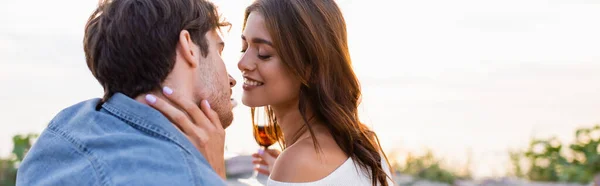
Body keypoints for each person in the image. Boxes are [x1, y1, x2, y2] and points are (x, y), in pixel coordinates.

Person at [159, 0, 395, 185]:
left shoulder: (298, 163)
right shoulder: (365, 145)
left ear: (309, 67)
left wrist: (213, 171)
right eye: (244, 47)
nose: (243, 63)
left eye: (263, 53)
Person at [16, 0, 236, 185]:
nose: (232, 79)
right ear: (188, 46)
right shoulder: (185, 177)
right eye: (219, 50)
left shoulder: (56, 139)